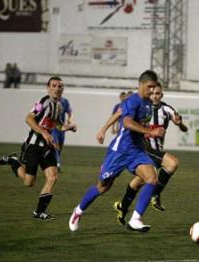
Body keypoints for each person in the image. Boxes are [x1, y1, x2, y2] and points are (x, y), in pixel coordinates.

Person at [69, 70, 165, 233]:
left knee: (152, 179)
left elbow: (119, 114)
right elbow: (126, 122)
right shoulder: (132, 101)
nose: (151, 91)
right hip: (119, 151)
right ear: (141, 84)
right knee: (102, 187)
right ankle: (78, 211)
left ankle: (135, 219)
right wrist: (149, 132)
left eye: (154, 87)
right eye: (149, 87)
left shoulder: (149, 103)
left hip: (136, 151)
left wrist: (103, 129)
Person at [97, 83, 188, 225]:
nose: (155, 96)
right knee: (172, 163)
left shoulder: (166, 109)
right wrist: (103, 129)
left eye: (158, 93)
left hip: (155, 150)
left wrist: (180, 123)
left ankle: (123, 206)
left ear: (161, 95)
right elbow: (119, 113)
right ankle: (155, 195)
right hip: (142, 150)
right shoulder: (140, 106)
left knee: (138, 182)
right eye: (152, 93)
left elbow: (183, 128)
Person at [0, 76, 76, 220]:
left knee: (53, 177)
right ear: (48, 88)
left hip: (46, 148)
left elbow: (55, 123)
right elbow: (28, 118)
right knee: (29, 182)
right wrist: (44, 132)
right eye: (54, 85)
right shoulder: (43, 102)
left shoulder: (59, 105)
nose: (57, 88)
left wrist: (67, 127)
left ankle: (39, 212)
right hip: (33, 146)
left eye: (60, 86)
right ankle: (13, 160)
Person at [52, 95, 76, 172]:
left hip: (61, 128)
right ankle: (57, 165)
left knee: (60, 149)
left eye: (60, 87)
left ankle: (55, 164)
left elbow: (70, 112)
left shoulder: (64, 101)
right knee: (56, 147)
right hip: (52, 128)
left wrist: (70, 119)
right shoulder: (48, 101)